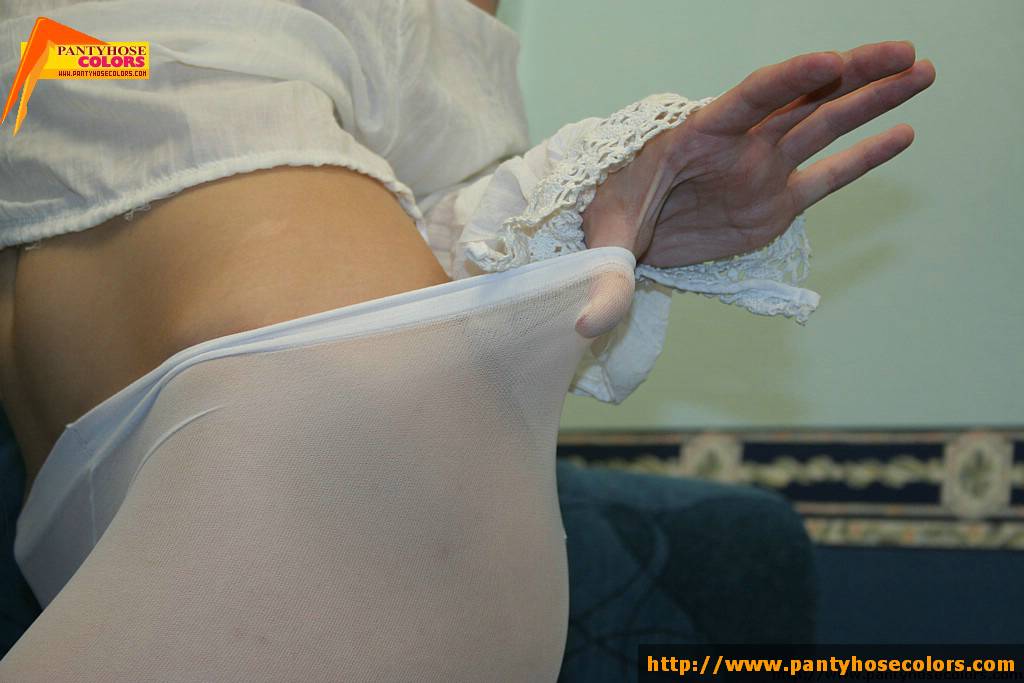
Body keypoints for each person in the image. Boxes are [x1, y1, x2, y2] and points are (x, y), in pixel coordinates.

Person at [0, 0, 935, 679]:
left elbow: (419, 203)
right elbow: (114, 63)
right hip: (264, 477)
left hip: (340, 473)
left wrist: (581, 206)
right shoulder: (101, 48)